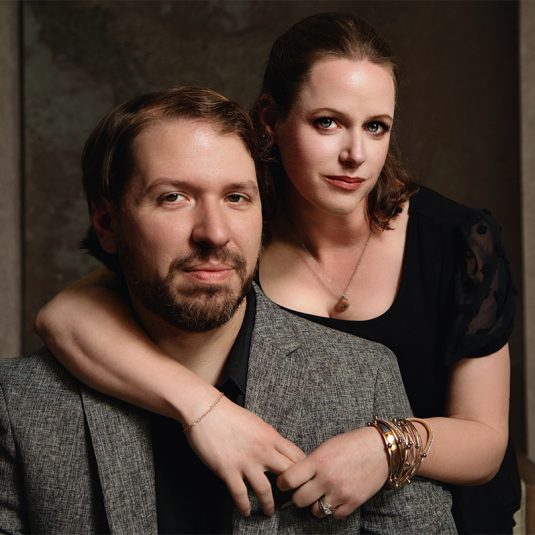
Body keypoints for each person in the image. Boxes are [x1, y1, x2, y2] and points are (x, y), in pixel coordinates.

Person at [35, 12, 520, 534]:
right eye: (327, 122)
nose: (355, 154)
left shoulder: (456, 241)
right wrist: (205, 411)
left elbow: (486, 441)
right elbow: (67, 316)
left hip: (452, 515)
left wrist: (383, 446)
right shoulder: (231, 235)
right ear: (271, 119)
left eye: (376, 127)